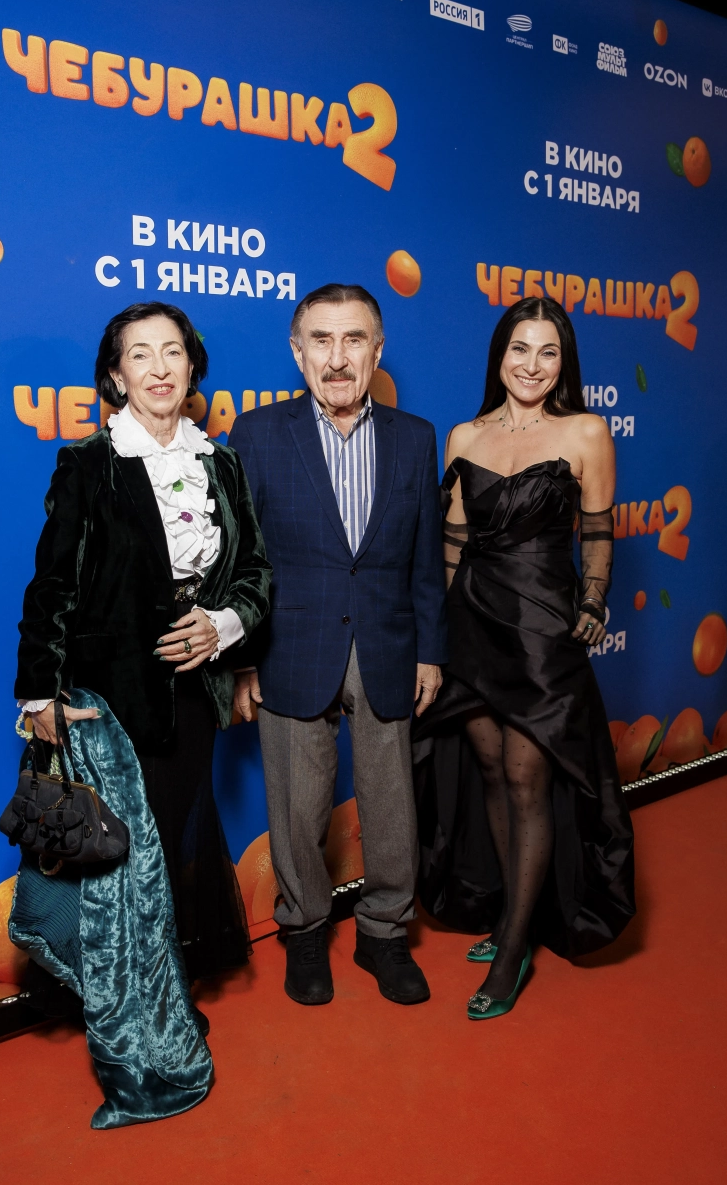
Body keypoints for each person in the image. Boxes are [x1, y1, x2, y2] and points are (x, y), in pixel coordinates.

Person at [15, 301, 272, 1027]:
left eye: (173, 352)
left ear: (192, 367)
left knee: (174, 838)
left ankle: (162, 985)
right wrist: (38, 693)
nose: (159, 368)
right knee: (124, 852)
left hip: (195, 690)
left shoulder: (220, 462)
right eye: (140, 354)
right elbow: (53, 586)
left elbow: (254, 571)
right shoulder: (89, 464)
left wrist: (222, 626)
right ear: (115, 375)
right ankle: (130, 1007)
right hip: (112, 696)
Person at [414, 295, 635, 1021]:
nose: (532, 365)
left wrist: (593, 600)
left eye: (548, 352)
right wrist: (439, 634)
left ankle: (513, 948)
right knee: (488, 767)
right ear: (499, 355)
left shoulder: (586, 431)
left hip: (541, 629)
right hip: (472, 625)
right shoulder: (465, 434)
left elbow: (596, 530)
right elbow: (452, 541)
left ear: (564, 363)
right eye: (519, 349)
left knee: (525, 775)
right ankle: (516, 910)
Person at [229, 283, 448, 1007]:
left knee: (391, 802)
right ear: (297, 353)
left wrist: (430, 649)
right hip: (289, 646)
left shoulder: (416, 436)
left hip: (388, 643)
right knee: (297, 805)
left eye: (354, 339)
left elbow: (426, 557)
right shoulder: (258, 434)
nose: (337, 356)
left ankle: (384, 931)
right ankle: (304, 928)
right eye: (320, 340)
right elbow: (240, 559)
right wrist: (242, 660)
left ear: (378, 351)